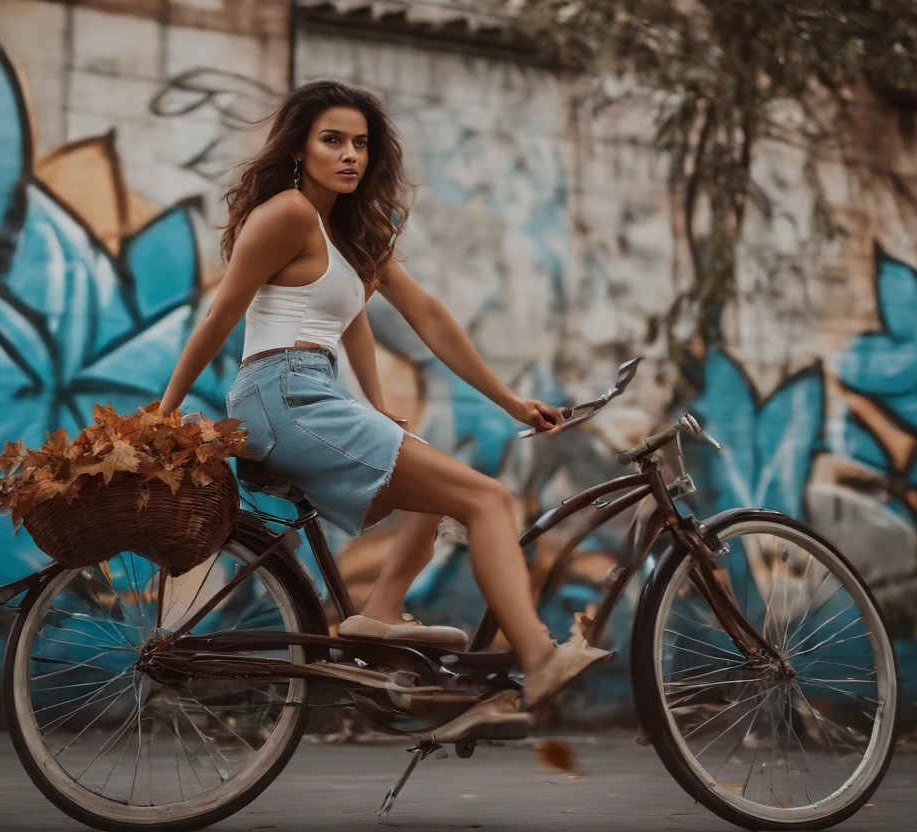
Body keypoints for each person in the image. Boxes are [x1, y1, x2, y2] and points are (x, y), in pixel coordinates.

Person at [160, 80, 611, 731]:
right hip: (282, 394)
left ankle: (378, 612)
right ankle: (538, 658)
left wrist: (505, 402)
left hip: (308, 392)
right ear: (298, 149)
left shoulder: (346, 235)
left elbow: (408, 317)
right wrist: (162, 412)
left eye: (361, 144)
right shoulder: (286, 214)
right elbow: (220, 315)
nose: (350, 155)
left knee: (433, 489)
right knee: (488, 499)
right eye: (332, 140)